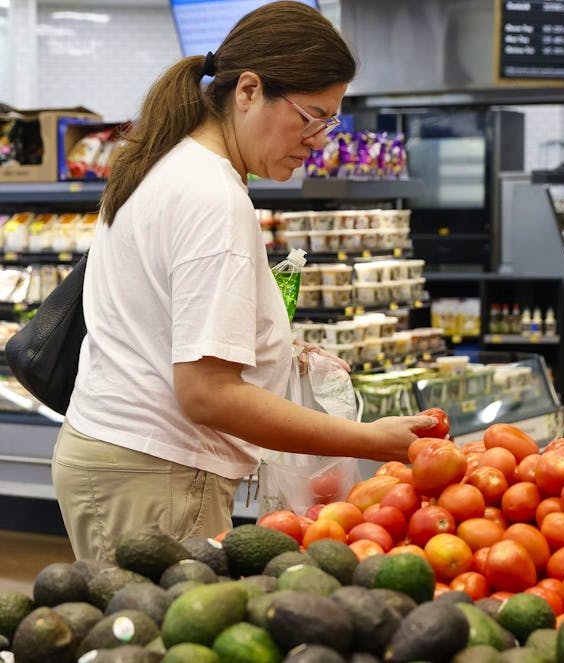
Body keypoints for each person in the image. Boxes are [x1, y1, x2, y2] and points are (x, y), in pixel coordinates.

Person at [51, 1, 436, 561]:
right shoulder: (213, 196)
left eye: (331, 121)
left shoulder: (168, 162)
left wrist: (270, 346)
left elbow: (165, 325)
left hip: (125, 462)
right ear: (249, 90)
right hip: (157, 472)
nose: (319, 138)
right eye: (311, 116)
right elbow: (207, 393)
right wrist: (371, 439)